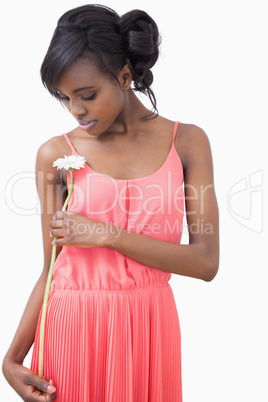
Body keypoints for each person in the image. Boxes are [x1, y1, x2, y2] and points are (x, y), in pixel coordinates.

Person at [2, 4, 219, 401]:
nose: (76, 110)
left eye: (87, 95)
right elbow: (51, 269)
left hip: (150, 328)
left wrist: (107, 234)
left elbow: (206, 262)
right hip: (73, 328)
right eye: (65, 98)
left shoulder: (187, 143)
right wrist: (12, 359)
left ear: (124, 77)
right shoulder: (55, 154)